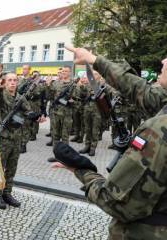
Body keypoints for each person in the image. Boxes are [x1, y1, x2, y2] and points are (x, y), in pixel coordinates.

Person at [51, 46, 167, 240]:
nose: (163, 61)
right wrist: (94, 59)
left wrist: (83, 170)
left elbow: (119, 204)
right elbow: (143, 91)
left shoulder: (159, 129)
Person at [0, 73, 43, 209]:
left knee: (12, 168)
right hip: (3, 138)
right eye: (10, 80)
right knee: (0, 168)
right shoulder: (1, 95)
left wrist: (36, 117)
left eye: (15, 80)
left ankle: (7, 193)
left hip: (16, 138)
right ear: (5, 82)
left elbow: (28, 112)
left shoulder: (21, 98)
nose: (12, 83)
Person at [46, 66, 76, 147]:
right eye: (62, 71)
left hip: (67, 114)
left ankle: (64, 158)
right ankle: (57, 155)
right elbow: (49, 96)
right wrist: (48, 85)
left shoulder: (73, 84)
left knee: (65, 137)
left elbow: (78, 99)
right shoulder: (56, 83)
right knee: (55, 136)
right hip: (56, 113)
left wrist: (72, 101)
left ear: (70, 73)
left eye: (66, 71)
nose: (64, 73)